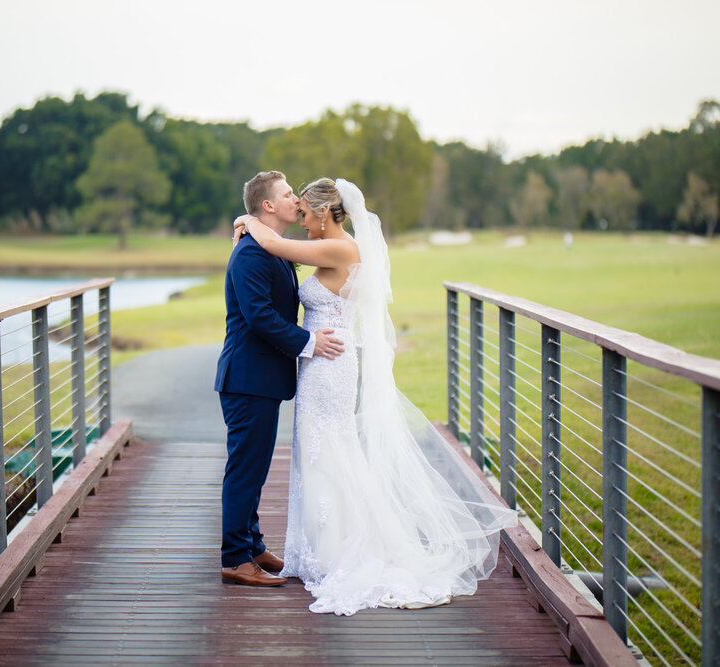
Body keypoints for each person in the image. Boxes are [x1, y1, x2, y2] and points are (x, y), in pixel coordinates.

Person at [234, 178, 517, 615]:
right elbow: (274, 248)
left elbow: (274, 246)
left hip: (330, 365)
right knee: (320, 454)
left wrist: (248, 219)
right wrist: (252, 221)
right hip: (320, 365)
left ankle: (341, 552)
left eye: (307, 213)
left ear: (325, 213)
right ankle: (315, 551)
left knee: (331, 451)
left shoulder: (342, 249)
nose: (303, 220)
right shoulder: (333, 247)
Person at [215, 171, 345, 587]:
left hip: (262, 379)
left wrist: (244, 220)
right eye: (288, 194)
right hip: (247, 378)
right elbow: (259, 317)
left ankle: (252, 545)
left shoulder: (274, 248)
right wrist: (309, 341)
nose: (295, 199)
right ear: (268, 205)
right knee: (245, 469)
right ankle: (235, 557)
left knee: (255, 468)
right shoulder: (253, 252)